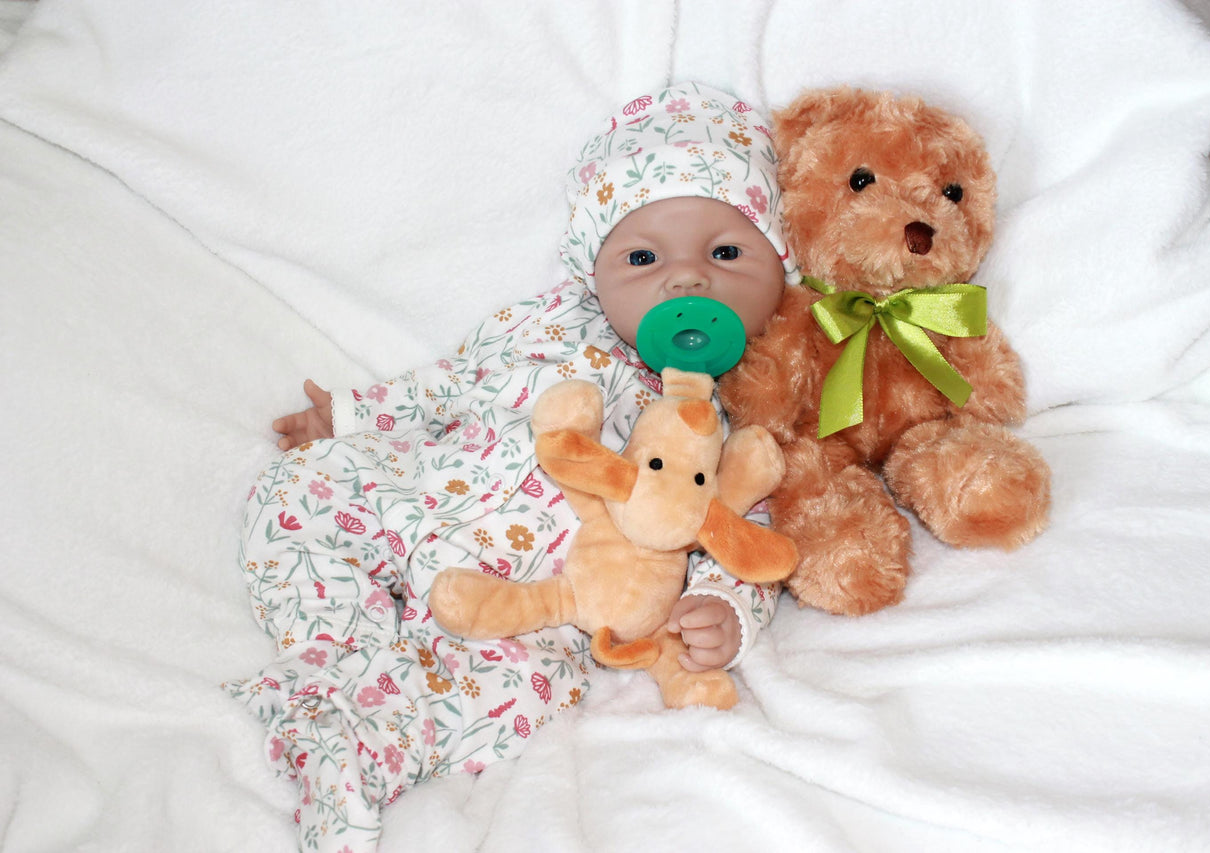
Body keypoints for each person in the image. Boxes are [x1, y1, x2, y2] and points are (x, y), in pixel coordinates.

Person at [224, 81, 800, 852]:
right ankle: (331, 663)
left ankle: (364, 741)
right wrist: (357, 415)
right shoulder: (548, 322)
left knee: (532, 688)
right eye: (641, 256)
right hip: (424, 492)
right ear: (592, 267)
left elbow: (747, 527)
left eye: (726, 253)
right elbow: (450, 381)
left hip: (543, 596)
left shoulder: (752, 400)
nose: (685, 280)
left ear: (780, 266)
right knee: (302, 489)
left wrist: (728, 612)